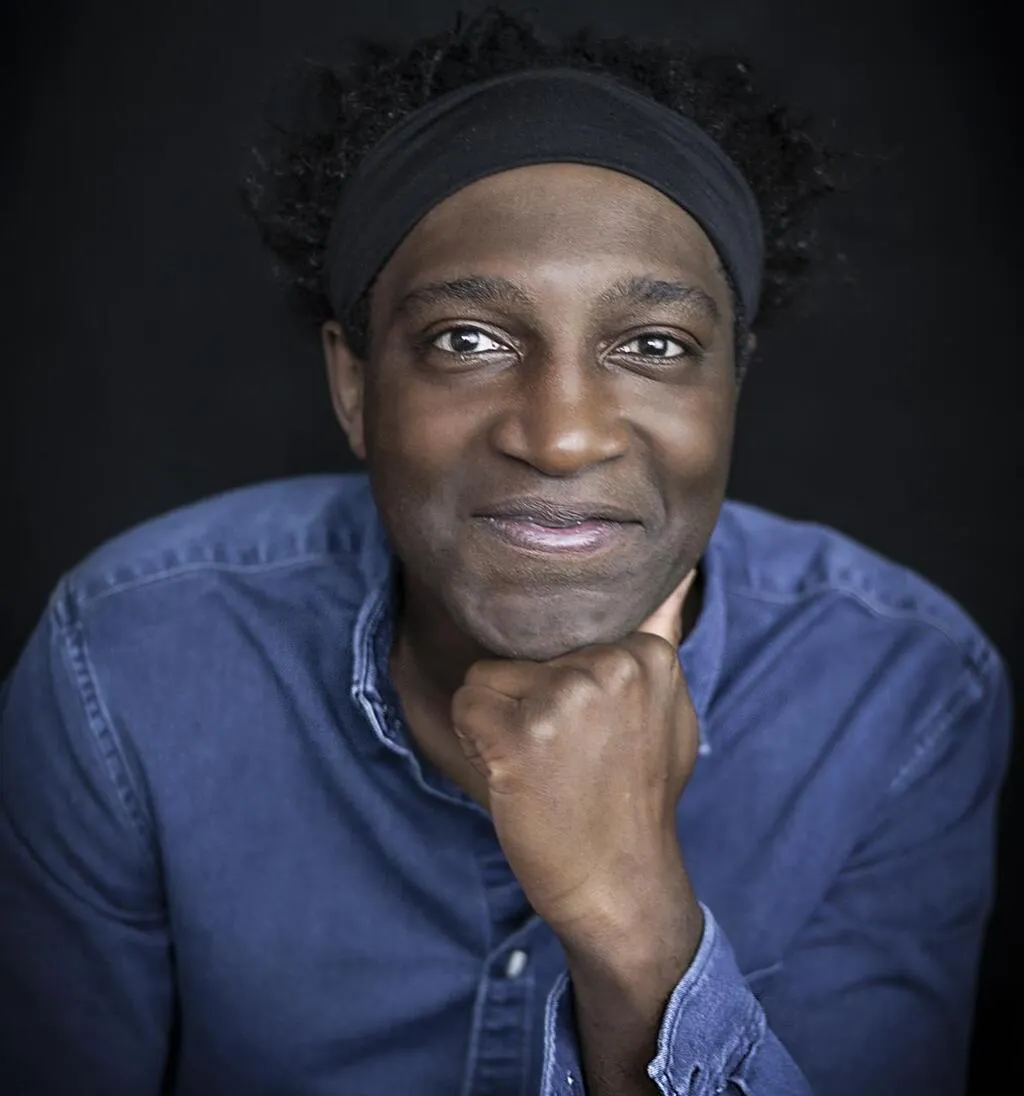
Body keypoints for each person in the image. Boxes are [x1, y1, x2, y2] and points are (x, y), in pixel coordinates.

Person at [0, 9, 1011, 1096]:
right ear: (354, 385)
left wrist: (636, 926)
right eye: (467, 340)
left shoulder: (899, 696)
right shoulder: (128, 664)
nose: (562, 435)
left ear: (733, 384)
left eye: (654, 345)